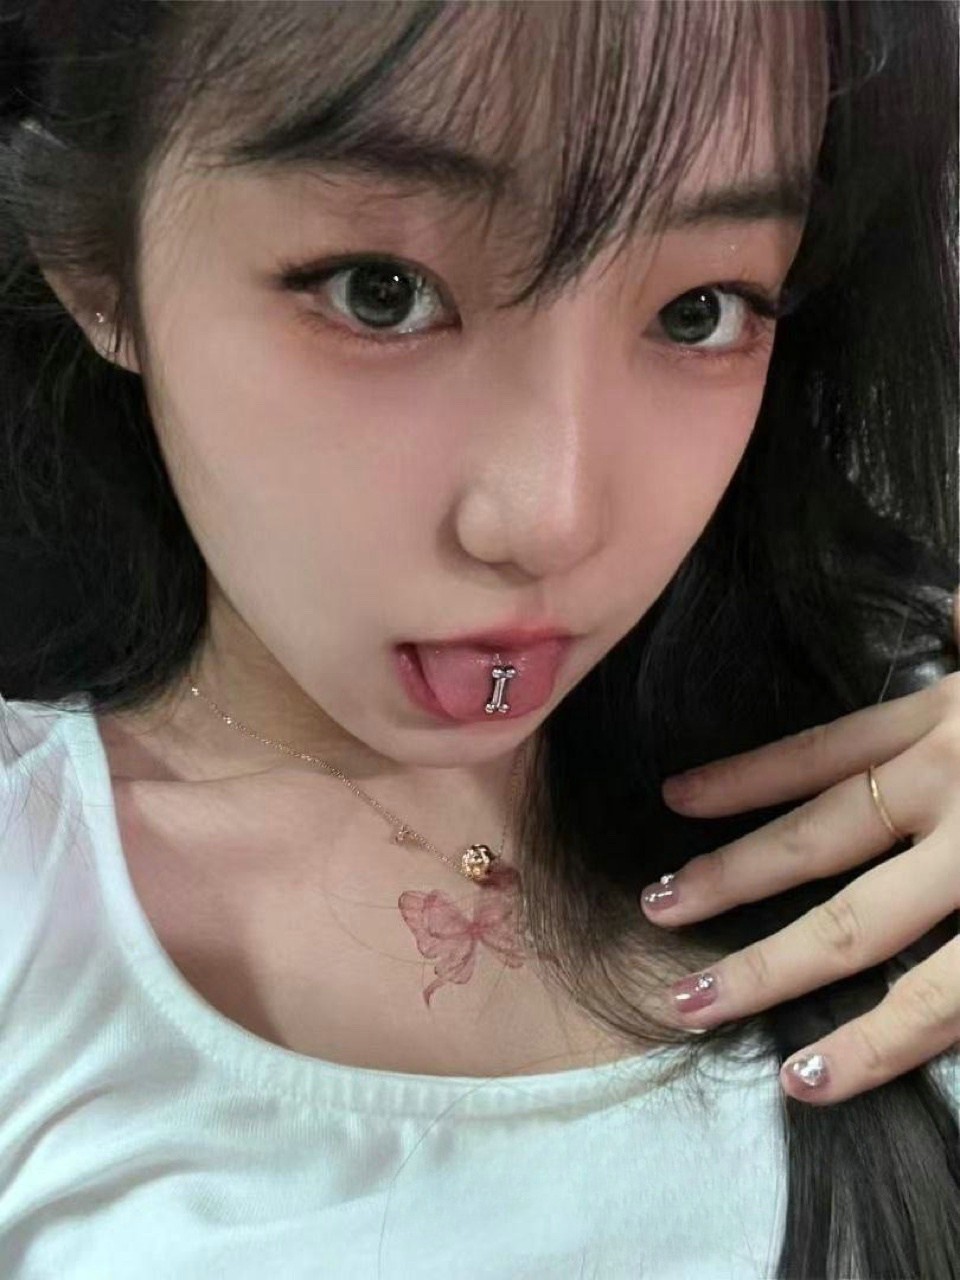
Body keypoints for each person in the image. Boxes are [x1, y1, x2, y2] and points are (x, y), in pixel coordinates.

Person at [0, 1, 957, 1276]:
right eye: (381, 292)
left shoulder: (899, 743)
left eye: (700, 311)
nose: (549, 520)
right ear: (95, 262)